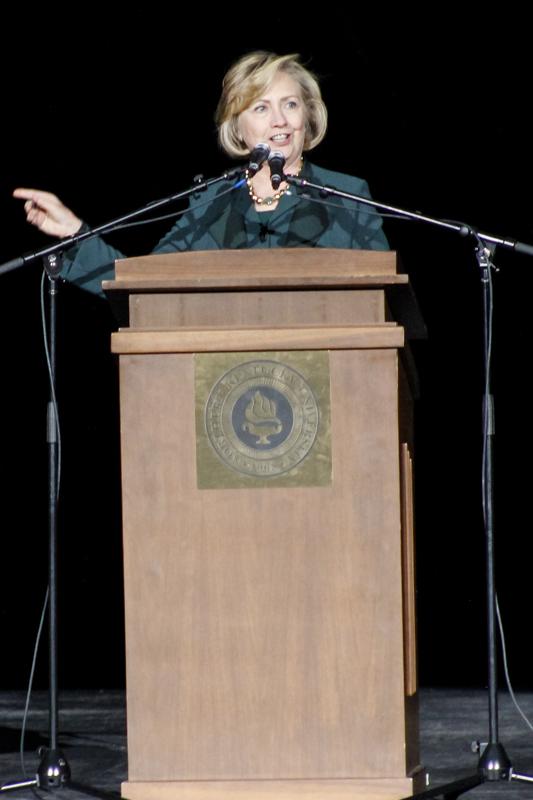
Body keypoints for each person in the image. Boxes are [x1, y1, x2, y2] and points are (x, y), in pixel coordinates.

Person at [14, 51, 388, 298]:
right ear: (238, 128)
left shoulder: (346, 196)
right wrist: (76, 233)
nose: (280, 120)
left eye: (290, 105)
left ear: (307, 116)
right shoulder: (213, 204)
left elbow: (383, 297)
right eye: (260, 108)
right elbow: (146, 286)